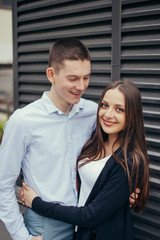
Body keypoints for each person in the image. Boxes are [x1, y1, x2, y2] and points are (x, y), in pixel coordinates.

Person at [22, 80, 149, 240]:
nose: (108, 114)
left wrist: (36, 203)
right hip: (76, 230)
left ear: (132, 114)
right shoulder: (95, 142)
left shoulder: (129, 161)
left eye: (119, 109)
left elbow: (89, 216)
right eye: (104, 105)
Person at [0, 38, 98, 240]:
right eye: (73, 79)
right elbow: (3, 183)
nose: (81, 86)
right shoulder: (23, 121)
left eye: (86, 77)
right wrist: (21, 236)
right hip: (46, 227)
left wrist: (133, 185)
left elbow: (117, 149)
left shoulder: (93, 112)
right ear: (51, 74)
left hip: (85, 219)